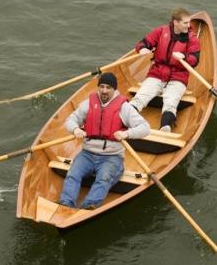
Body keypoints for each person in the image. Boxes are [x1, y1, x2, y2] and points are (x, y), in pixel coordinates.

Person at [59, 72, 150, 209]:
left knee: (103, 179)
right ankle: (66, 204)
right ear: (98, 88)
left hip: (112, 157)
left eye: (108, 87)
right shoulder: (88, 104)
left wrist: (127, 134)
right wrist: (75, 130)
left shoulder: (124, 108)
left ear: (114, 89)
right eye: (101, 87)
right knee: (73, 174)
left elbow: (145, 128)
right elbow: (70, 120)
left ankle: (88, 207)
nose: (104, 91)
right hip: (87, 154)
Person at [130, 7, 200, 132]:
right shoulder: (161, 31)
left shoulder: (192, 38)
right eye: (185, 23)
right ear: (175, 22)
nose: (188, 26)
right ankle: (126, 119)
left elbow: (195, 60)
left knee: (171, 102)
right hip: (157, 73)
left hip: (178, 76)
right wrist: (142, 49)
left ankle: (165, 126)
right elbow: (143, 43)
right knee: (141, 96)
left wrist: (184, 57)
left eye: (189, 22)